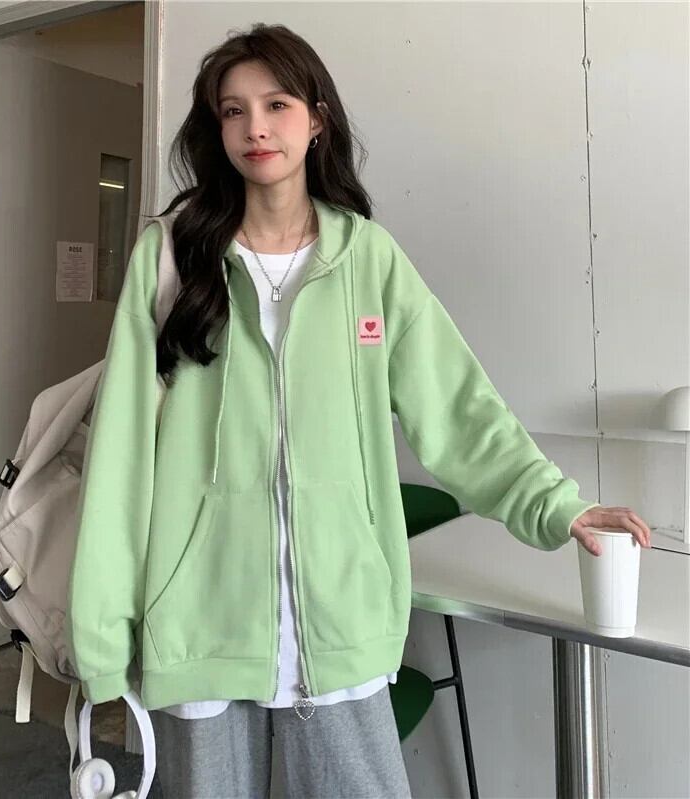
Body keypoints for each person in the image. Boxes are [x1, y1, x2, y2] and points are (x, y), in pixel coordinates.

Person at [67, 22, 652, 799]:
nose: (256, 127)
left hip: (339, 623)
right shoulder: (172, 258)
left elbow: (458, 406)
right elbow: (120, 459)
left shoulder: (367, 260)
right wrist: (102, 636)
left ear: (317, 120)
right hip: (198, 623)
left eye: (276, 104)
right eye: (234, 110)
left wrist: (557, 503)